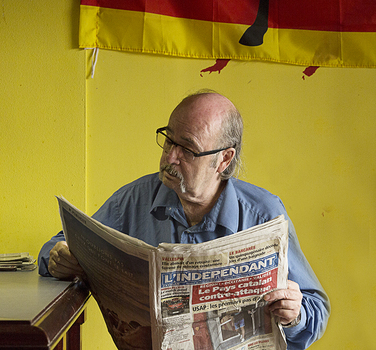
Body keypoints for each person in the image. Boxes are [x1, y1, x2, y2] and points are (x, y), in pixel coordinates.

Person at [38, 90, 330, 350]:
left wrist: (296, 314)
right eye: (168, 140)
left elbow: (317, 309)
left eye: (187, 149)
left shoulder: (264, 213)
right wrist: (58, 255)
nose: (170, 158)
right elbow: (59, 245)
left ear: (224, 160)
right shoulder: (134, 200)